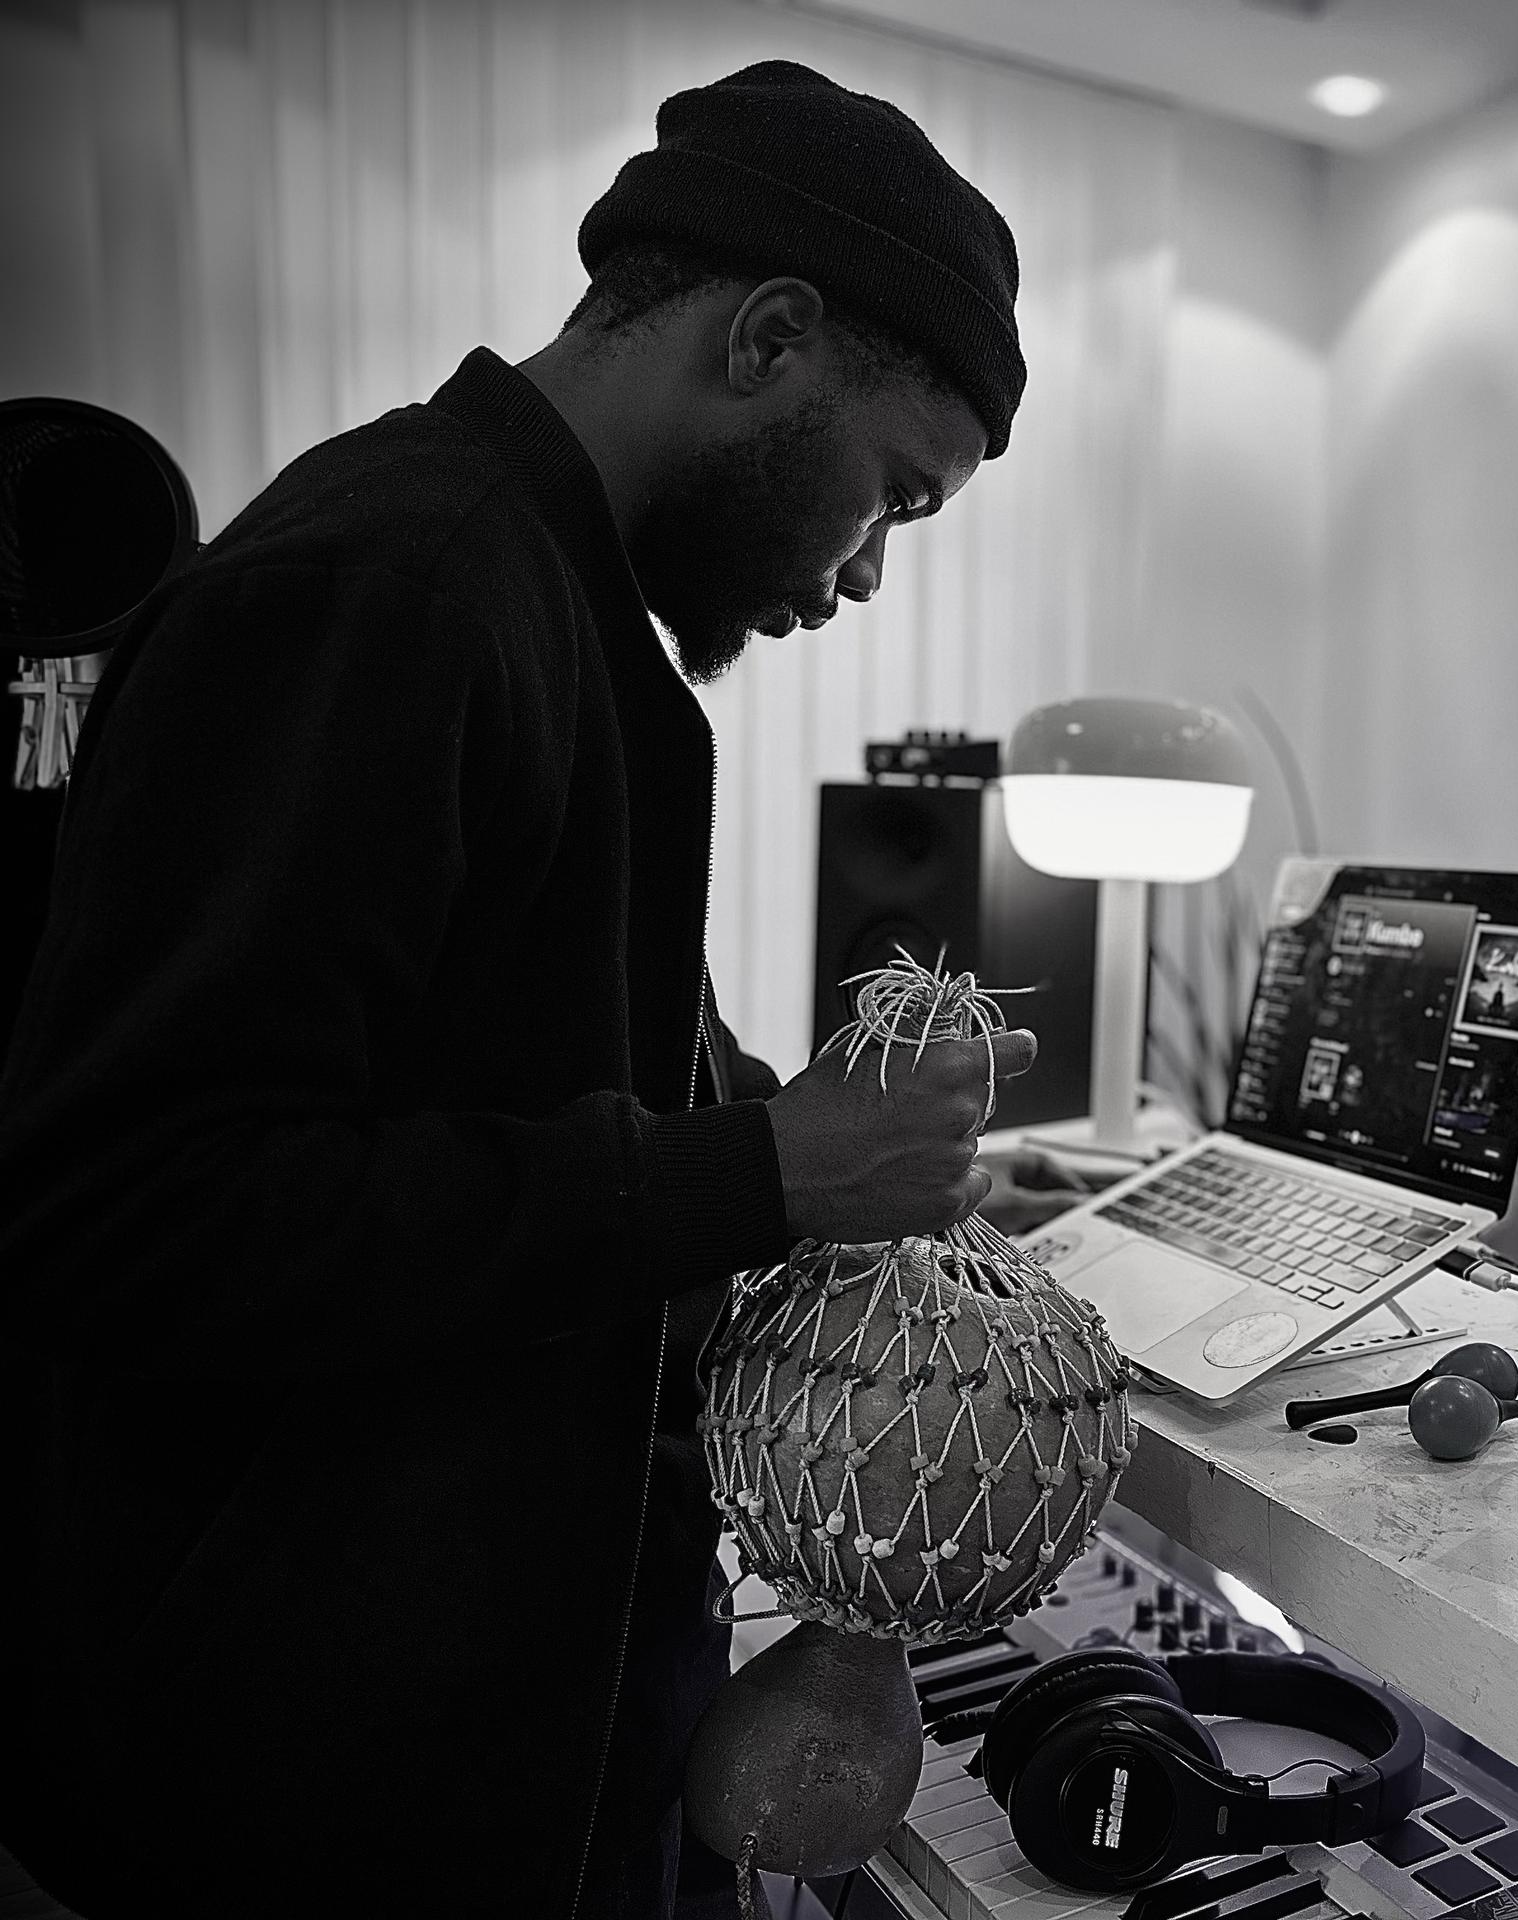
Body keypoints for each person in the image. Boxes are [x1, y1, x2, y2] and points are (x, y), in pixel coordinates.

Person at [0, 61, 1037, 1918]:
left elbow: (548, 1066)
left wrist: (844, 1151)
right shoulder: (399, 587)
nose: (871, 572)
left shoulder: (547, 606)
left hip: (495, 1748)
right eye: (895, 492)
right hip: (304, 1805)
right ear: (769, 338)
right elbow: (131, 1213)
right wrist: (765, 1171)